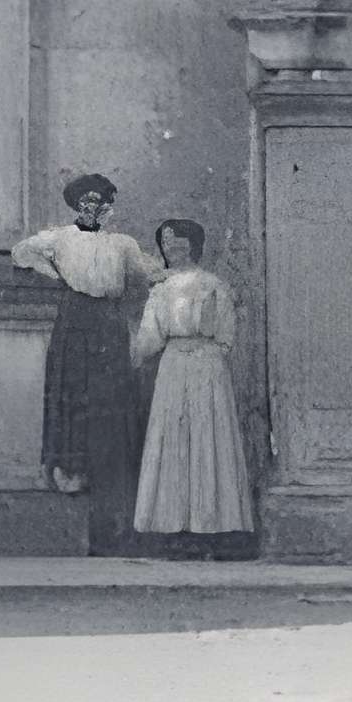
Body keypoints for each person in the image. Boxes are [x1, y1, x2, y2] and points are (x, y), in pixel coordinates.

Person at [12, 173, 162, 552]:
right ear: (77, 204)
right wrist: (56, 275)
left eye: (101, 201)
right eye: (87, 201)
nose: (93, 207)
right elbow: (22, 252)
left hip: (109, 321)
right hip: (74, 316)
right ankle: (72, 468)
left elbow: (145, 275)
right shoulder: (60, 237)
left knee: (111, 398)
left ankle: (110, 475)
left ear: (108, 207)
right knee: (72, 391)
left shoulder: (122, 244)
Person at [132, 221, 255, 555]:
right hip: (173, 364)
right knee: (172, 438)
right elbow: (149, 336)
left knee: (208, 436)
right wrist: (128, 357)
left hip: (208, 365)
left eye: (180, 241)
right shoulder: (159, 290)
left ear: (194, 245)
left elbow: (228, 335)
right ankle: (173, 528)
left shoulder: (215, 285)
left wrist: (207, 355)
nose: (173, 248)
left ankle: (214, 529)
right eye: (167, 243)